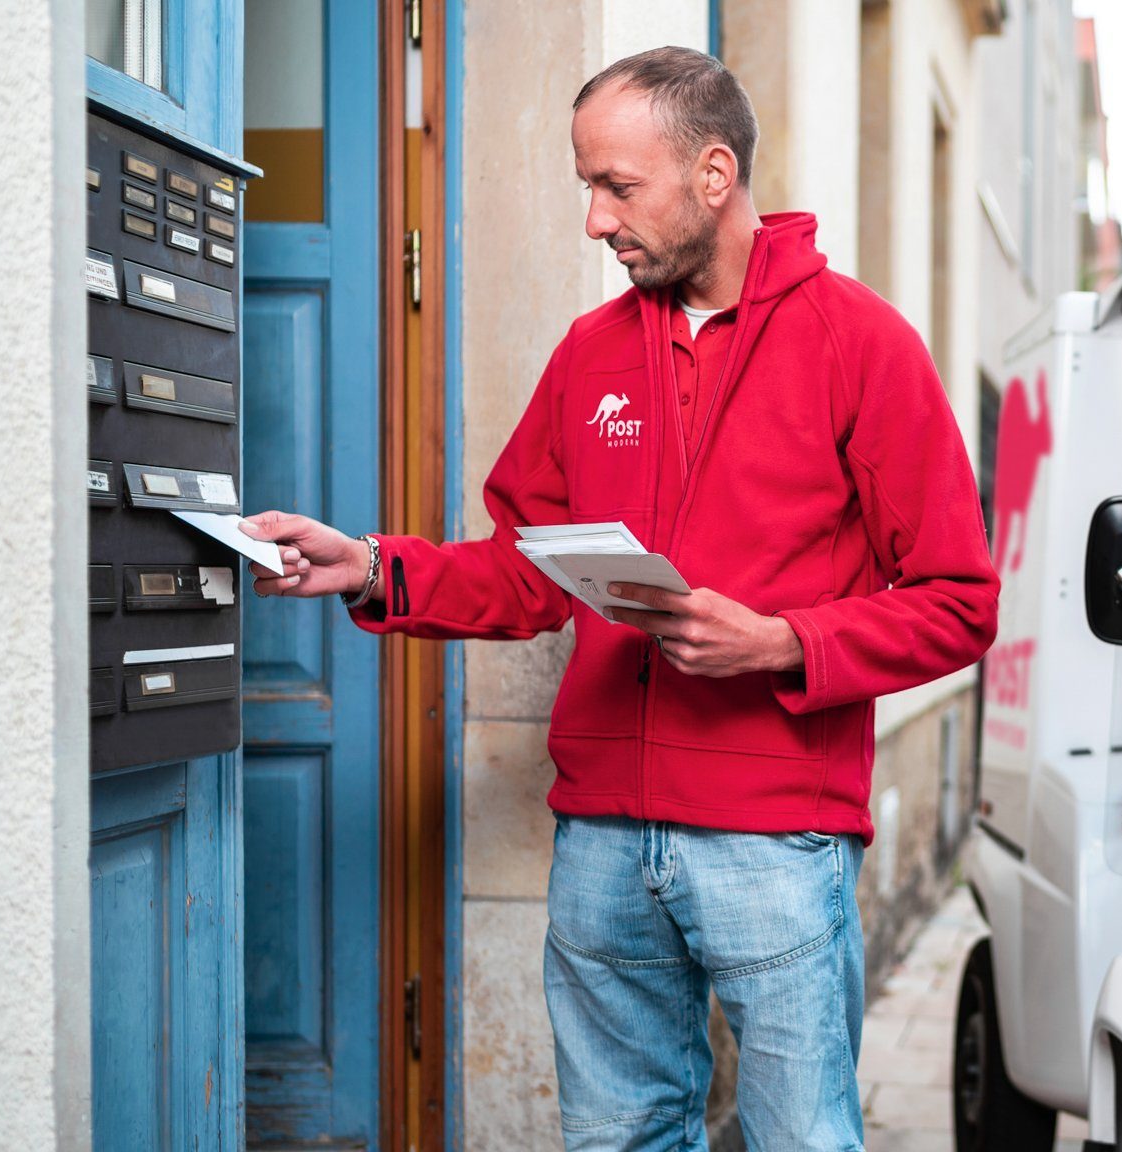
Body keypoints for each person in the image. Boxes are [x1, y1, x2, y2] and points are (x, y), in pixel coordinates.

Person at [239, 46, 999, 1152]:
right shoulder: (589, 354)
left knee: (804, 1141)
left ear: (713, 173)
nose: (594, 221)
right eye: (585, 186)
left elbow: (957, 599)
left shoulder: (861, 345)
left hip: (773, 842)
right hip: (602, 841)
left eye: (616, 187)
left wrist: (783, 643)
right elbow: (522, 568)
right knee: (615, 1142)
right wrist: (370, 565)